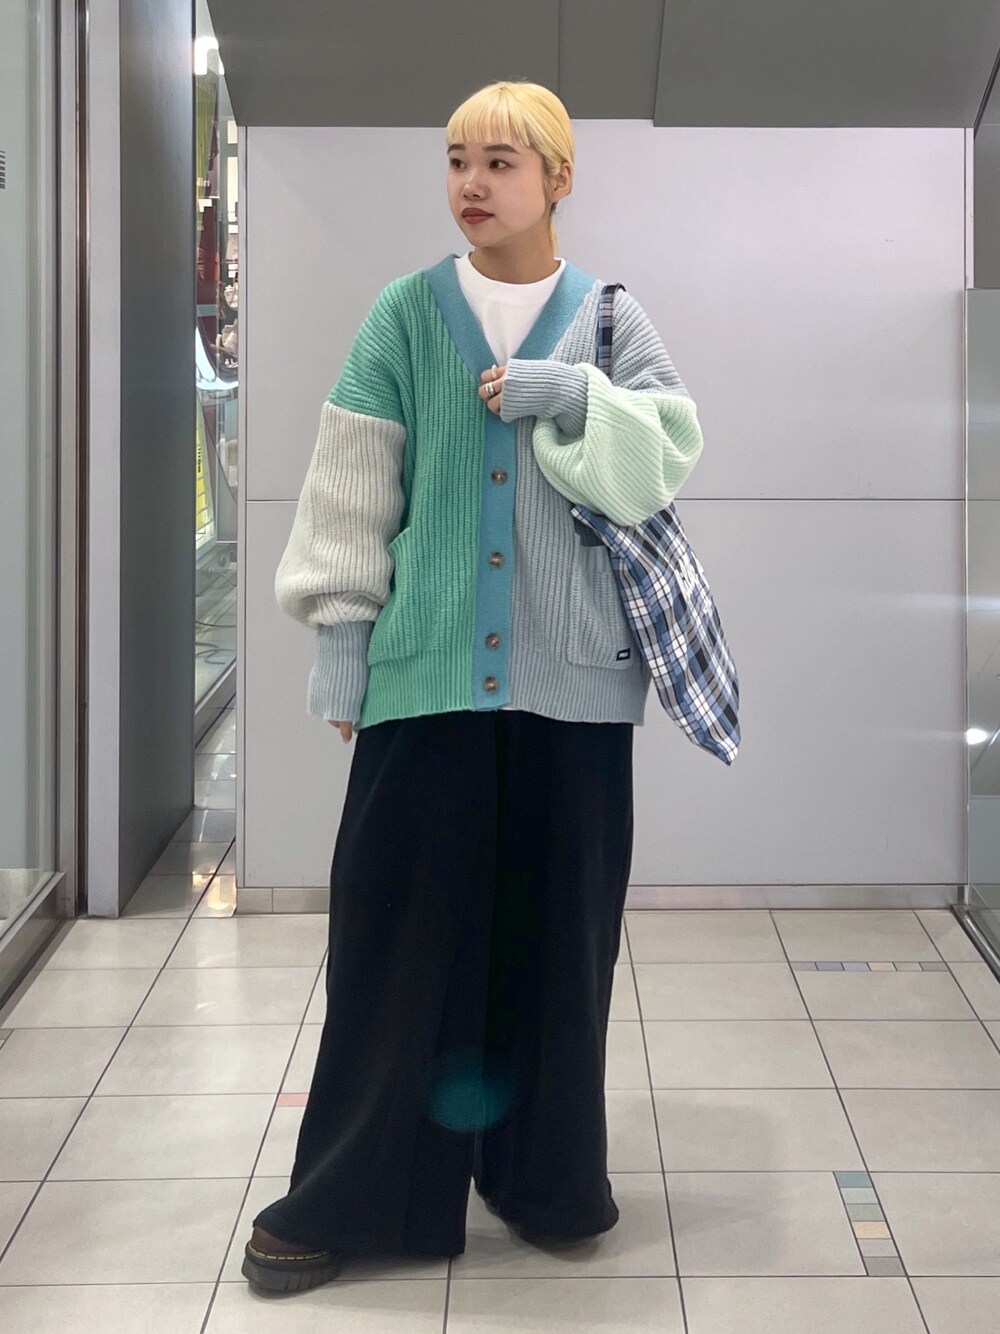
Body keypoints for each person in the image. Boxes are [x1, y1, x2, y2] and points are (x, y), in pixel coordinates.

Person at [242, 78, 704, 1294]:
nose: (471, 182)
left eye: (501, 160)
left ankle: (543, 1177)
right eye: (457, 158)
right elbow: (351, 484)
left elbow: (662, 457)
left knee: (558, 944)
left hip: (577, 686)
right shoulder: (405, 314)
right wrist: (343, 636)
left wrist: (580, 397)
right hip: (428, 673)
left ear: (557, 178)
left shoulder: (607, 317)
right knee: (393, 939)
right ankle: (360, 1193)